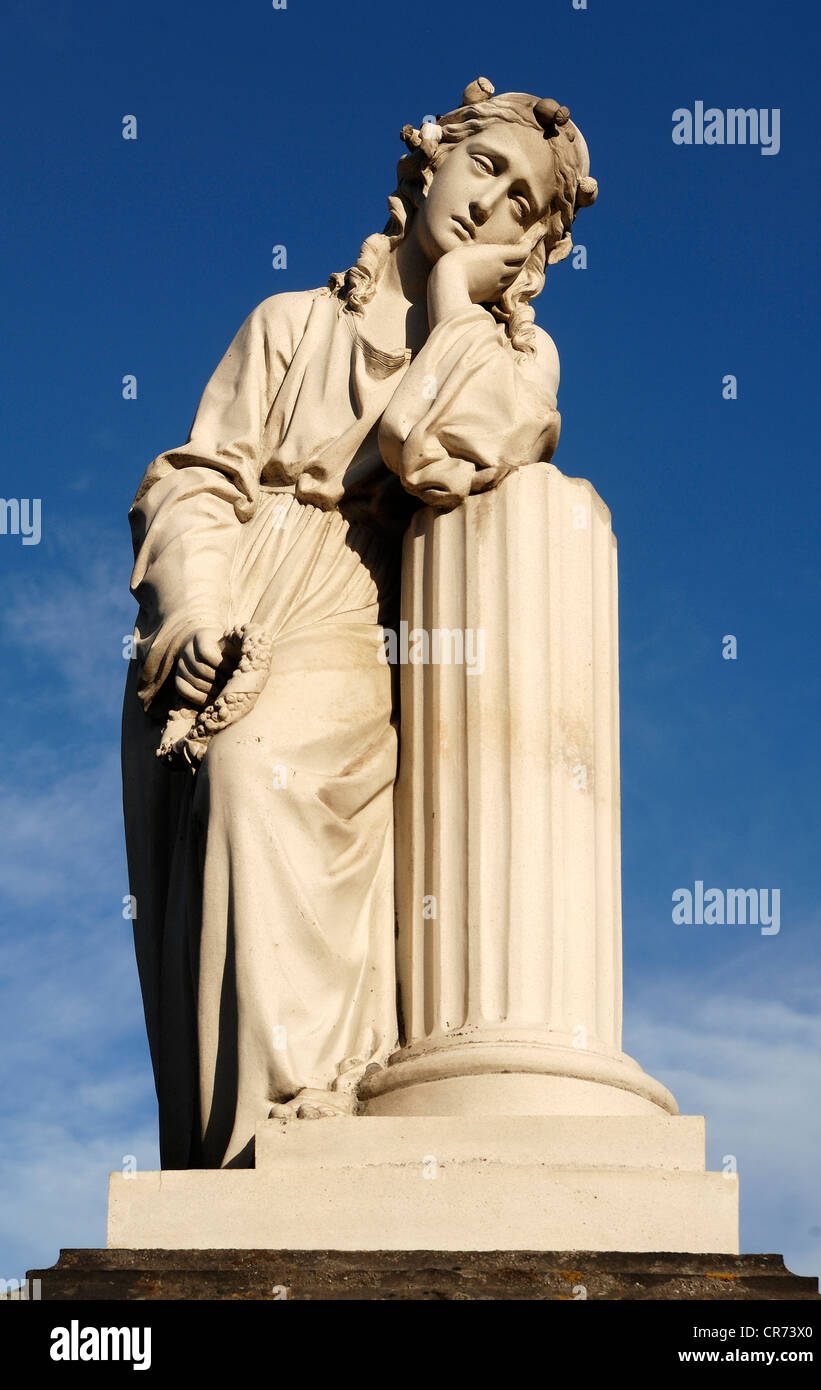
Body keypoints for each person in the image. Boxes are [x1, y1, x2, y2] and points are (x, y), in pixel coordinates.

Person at [122, 77, 598, 1168]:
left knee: (258, 779)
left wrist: (448, 309)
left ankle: (299, 1111)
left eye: (524, 205)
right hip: (243, 581)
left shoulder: (516, 358)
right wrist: (193, 604)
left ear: (532, 247)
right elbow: (196, 479)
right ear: (430, 160)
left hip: (360, 603)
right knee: (211, 819)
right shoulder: (291, 322)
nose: (492, 205)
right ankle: (240, 1150)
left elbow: (435, 452)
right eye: (485, 167)